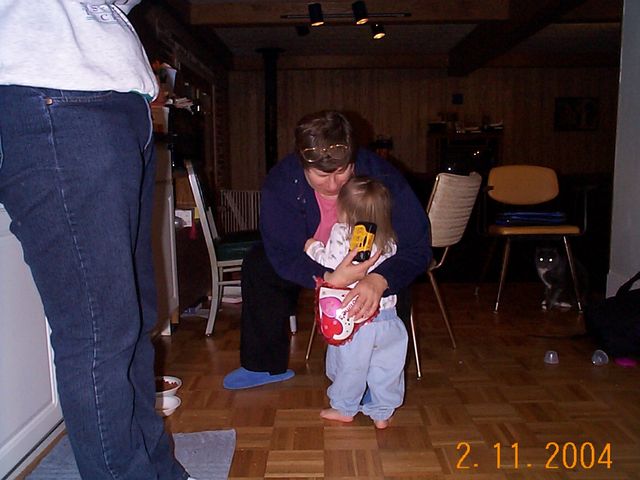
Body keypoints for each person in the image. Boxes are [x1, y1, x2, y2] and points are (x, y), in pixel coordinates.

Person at [0, 2, 193, 479]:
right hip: (52, 94)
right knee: (98, 329)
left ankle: (157, 470)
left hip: (119, 103)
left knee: (133, 319)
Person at [223, 110, 431, 390]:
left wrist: (379, 279)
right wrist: (328, 278)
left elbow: (416, 247)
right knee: (259, 263)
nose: (334, 185)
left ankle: (378, 380)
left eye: (342, 171)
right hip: (316, 260)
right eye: (322, 175)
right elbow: (283, 251)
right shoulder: (281, 181)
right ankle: (262, 365)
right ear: (302, 164)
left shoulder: (382, 177)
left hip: (372, 265)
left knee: (396, 281)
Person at [306, 176, 407, 429]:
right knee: (387, 368)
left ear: (345, 210)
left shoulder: (342, 232)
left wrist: (312, 247)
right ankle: (382, 412)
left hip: (355, 319)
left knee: (349, 366)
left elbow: (331, 262)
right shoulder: (389, 240)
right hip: (388, 319)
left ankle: (344, 408)